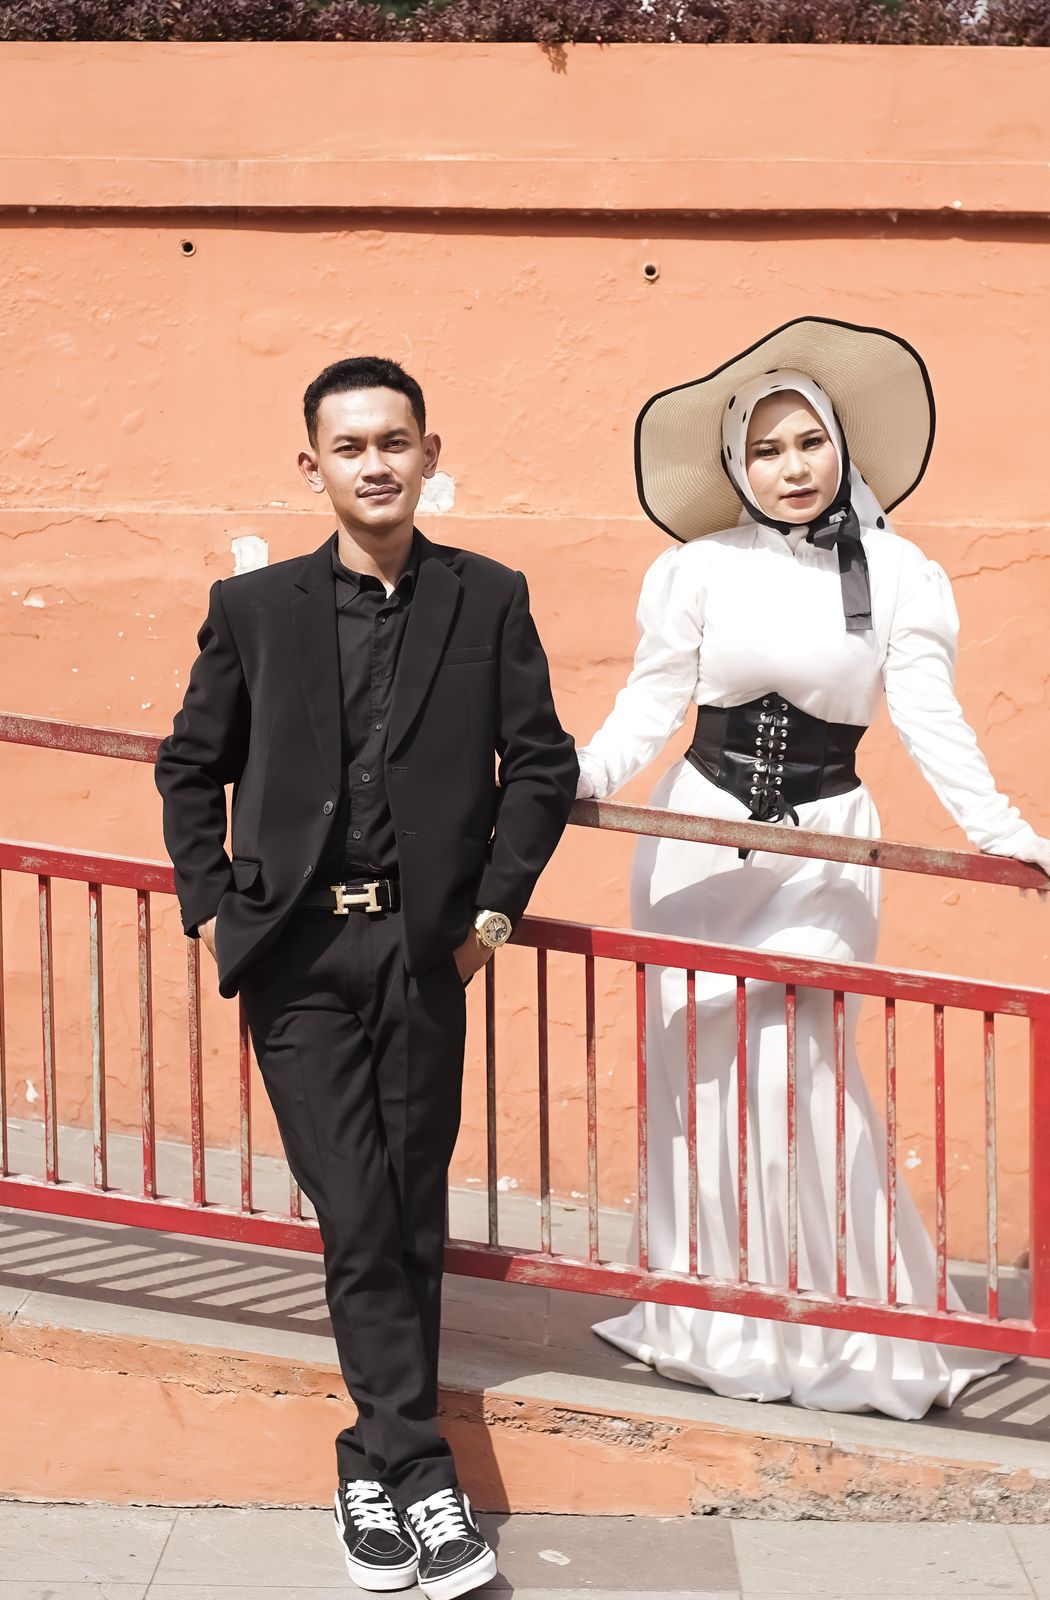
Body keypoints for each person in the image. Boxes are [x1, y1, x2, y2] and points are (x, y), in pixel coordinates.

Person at [575, 317, 1050, 1420]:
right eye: (766, 450)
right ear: (737, 466)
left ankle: (840, 1315)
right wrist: (567, 780)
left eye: (808, 442)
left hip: (822, 852)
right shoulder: (696, 568)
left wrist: (1004, 830)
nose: (792, 467)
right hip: (695, 841)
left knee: (798, 1076)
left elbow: (930, 715)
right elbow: (649, 706)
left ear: (841, 444)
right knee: (697, 1076)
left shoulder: (902, 572)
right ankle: (711, 1312)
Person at [156, 356, 577, 1597]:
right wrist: (209, 906)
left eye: (395, 441)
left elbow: (539, 766)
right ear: (314, 467)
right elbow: (190, 764)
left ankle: (372, 1470)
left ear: (429, 454)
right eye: (350, 446)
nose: (376, 464)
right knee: (353, 1205)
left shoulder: (488, 596)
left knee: (407, 1210)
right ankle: (423, 1472)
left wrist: (491, 914)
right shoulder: (255, 608)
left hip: (423, 948)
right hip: (293, 954)